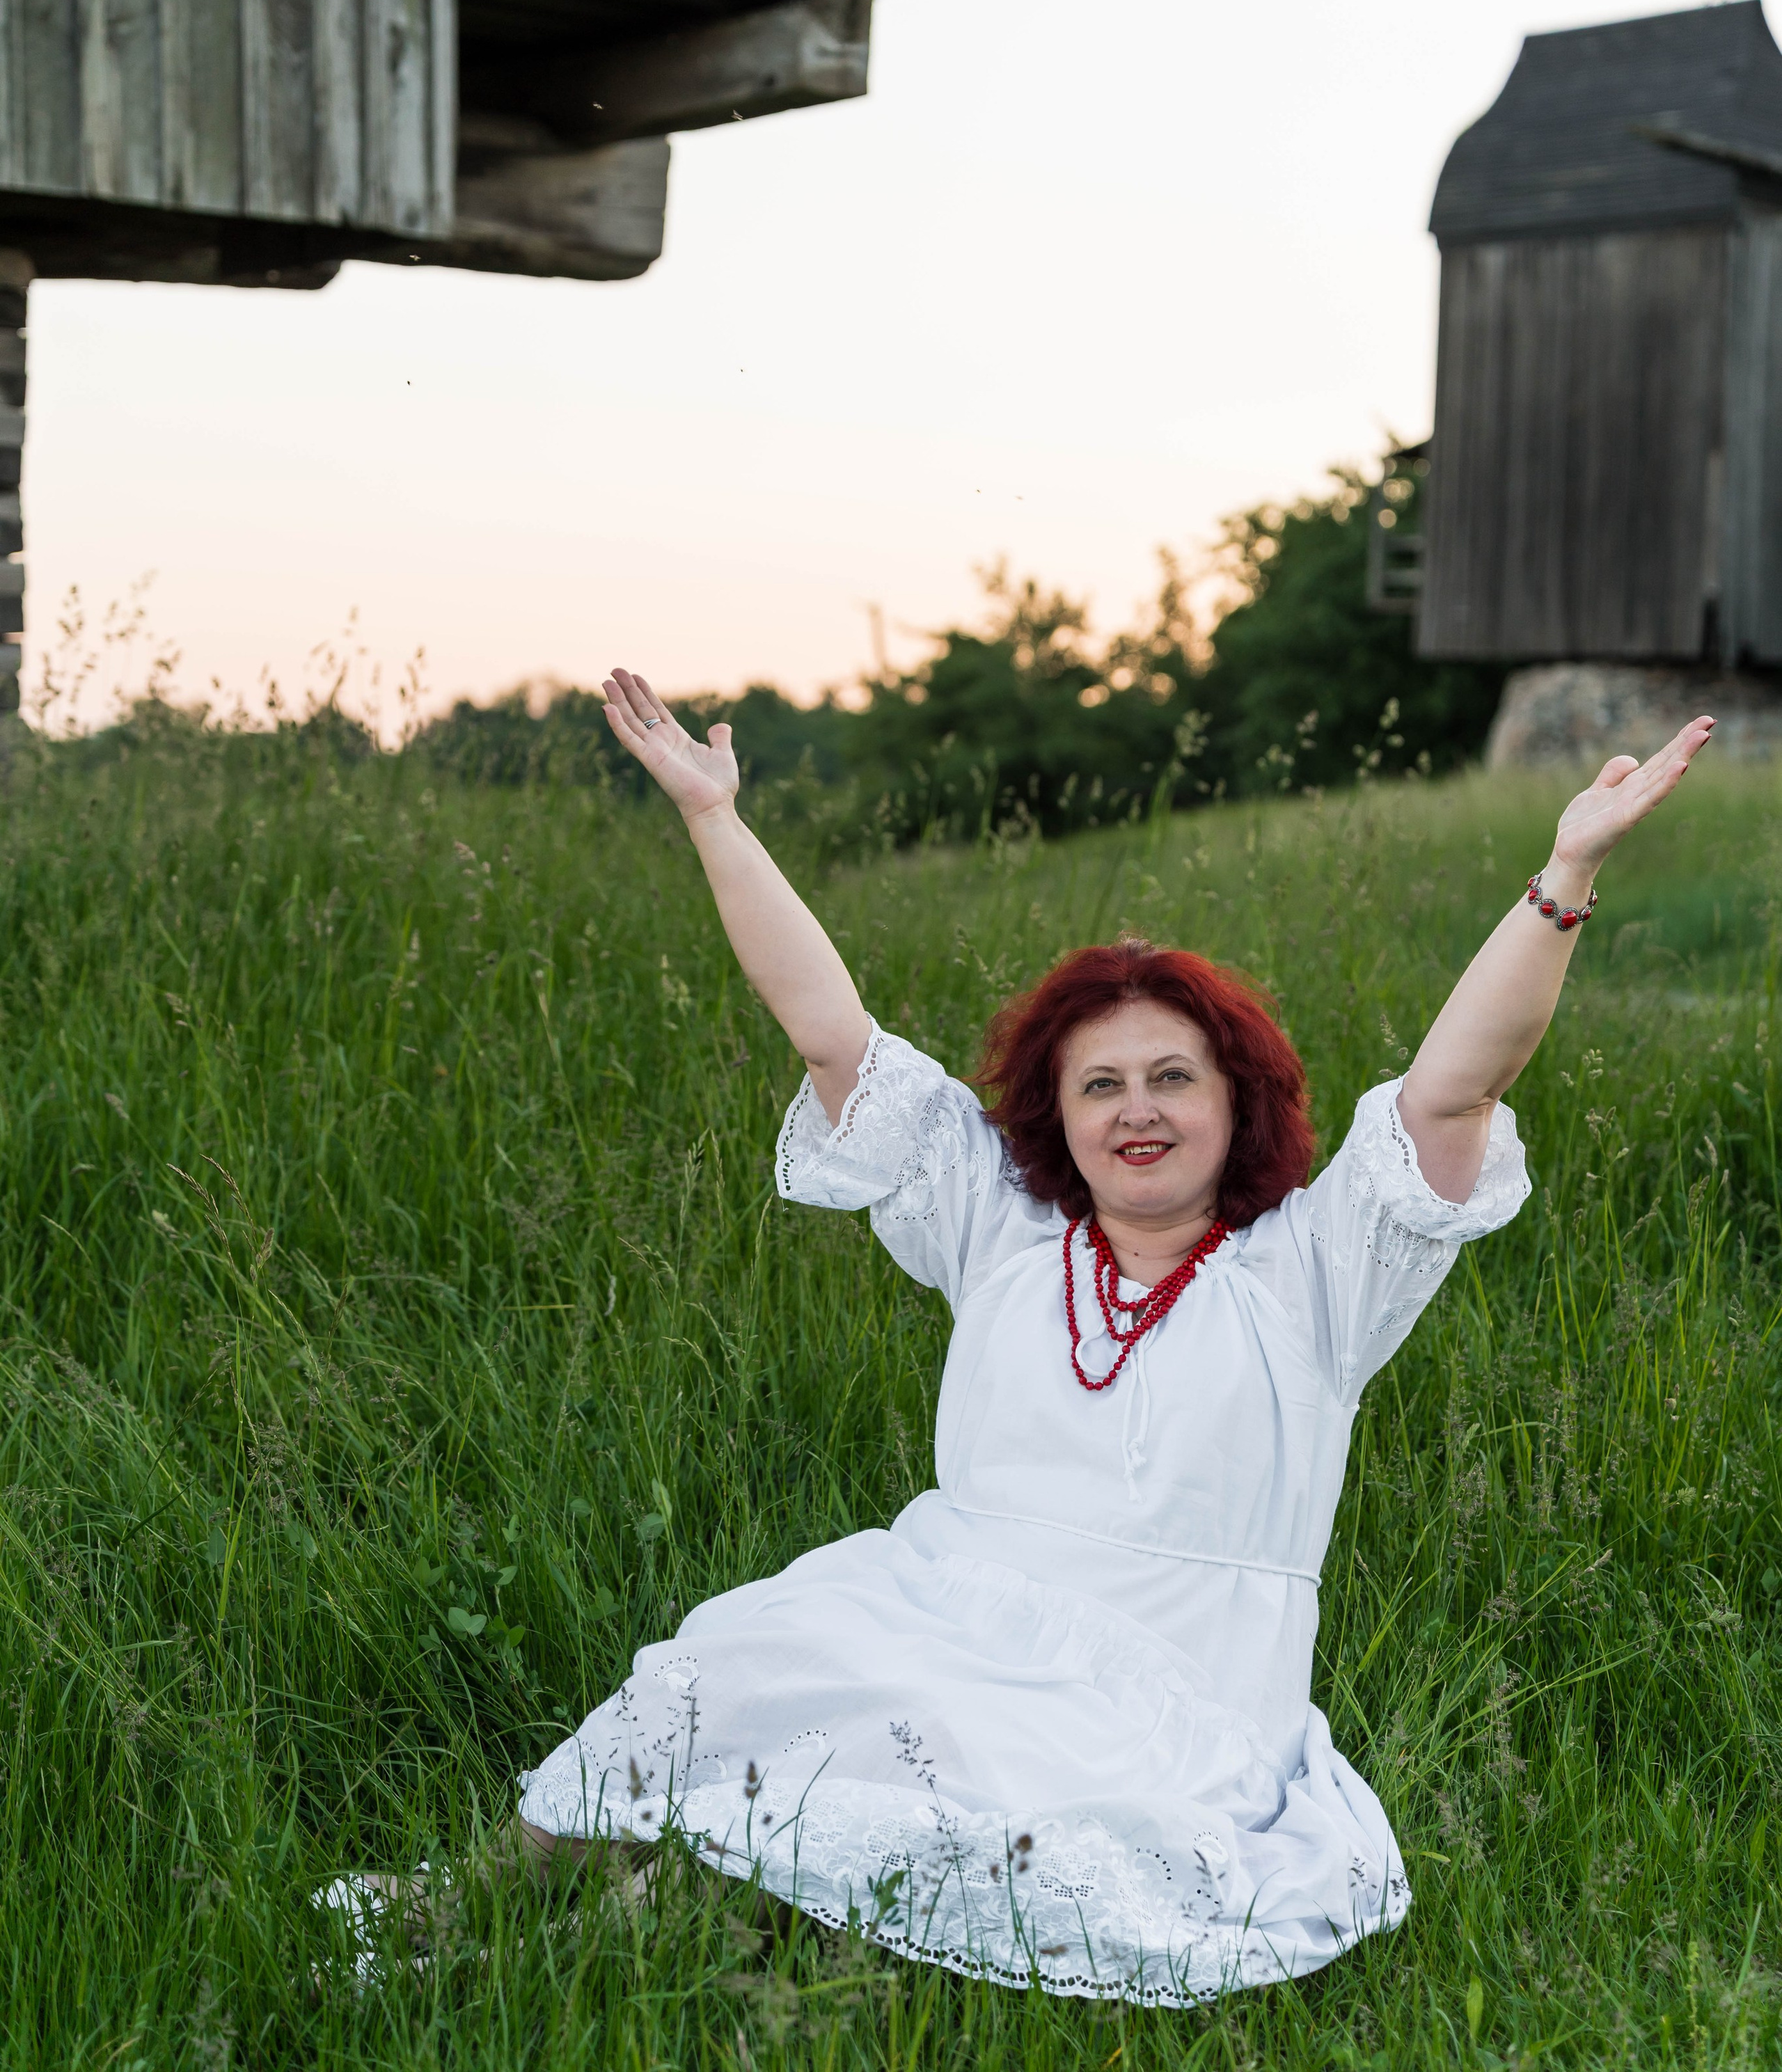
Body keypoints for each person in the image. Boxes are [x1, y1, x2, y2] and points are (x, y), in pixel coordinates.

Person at [521, 678, 1709, 2002]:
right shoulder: (1004, 1234)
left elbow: (1455, 1086)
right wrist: (715, 819)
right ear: (1058, 1116)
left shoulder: (1316, 1274)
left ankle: (740, 1952)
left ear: (1234, 1102)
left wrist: (1564, 872)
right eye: (1101, 1085)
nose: (1135, 1112)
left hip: (1172, 1685)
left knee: (1014, 1804)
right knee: (730, 1665)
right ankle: (496, 1908)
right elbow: (828, 1032)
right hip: (940, 1603)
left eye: (1171, 1080)